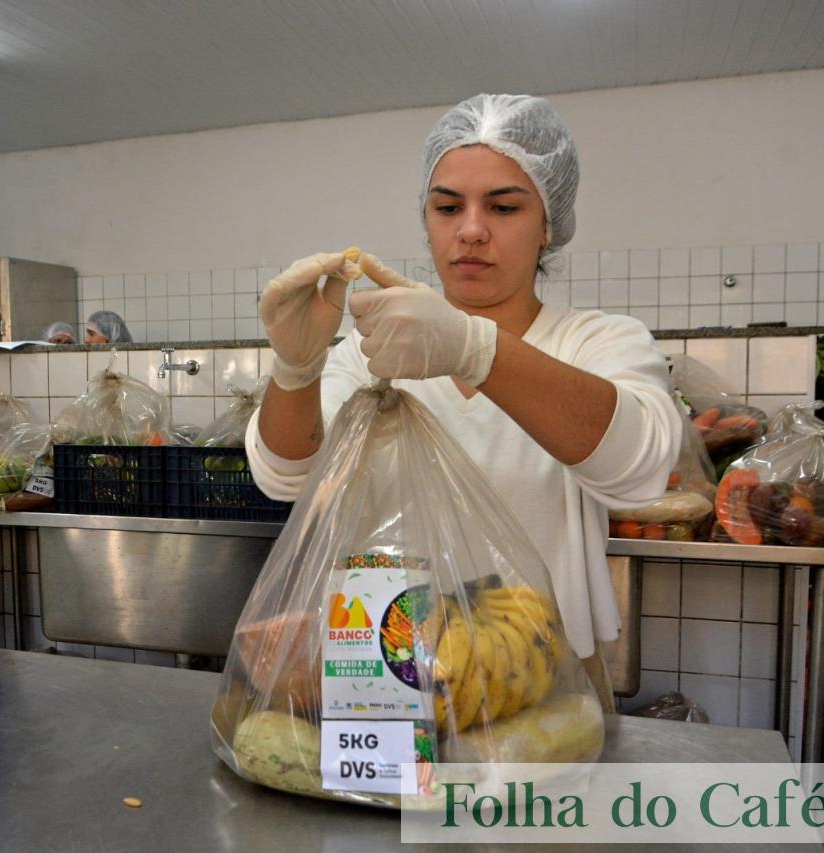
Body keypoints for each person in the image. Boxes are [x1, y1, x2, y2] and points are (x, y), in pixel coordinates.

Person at [248, 94, 681, 711]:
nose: (471, 229)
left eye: (504, 206)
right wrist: (295, 370)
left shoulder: (597, 341)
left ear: (550, 222)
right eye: (447, 206)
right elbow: (288, 477)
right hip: (389, 666)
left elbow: (638, 472)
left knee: (548, 812)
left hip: (541, 668)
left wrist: (476, 349)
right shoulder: (373, 351)